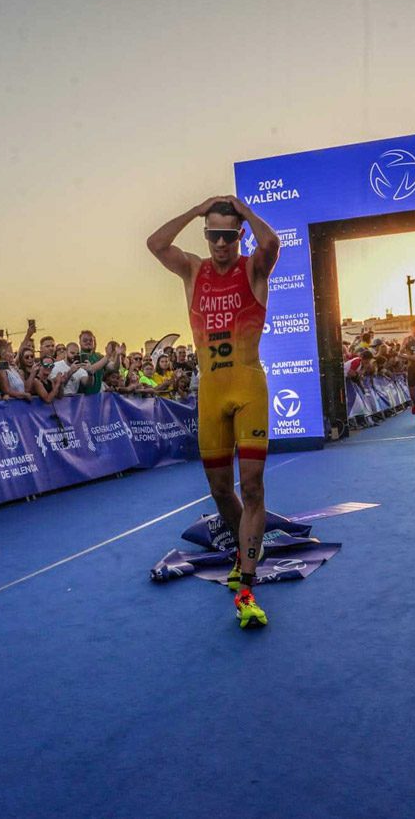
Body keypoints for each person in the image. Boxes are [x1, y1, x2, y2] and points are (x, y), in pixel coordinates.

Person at [147, 195, 280, 629]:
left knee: (254, 486)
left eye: (229, 235)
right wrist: (196, 210)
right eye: (214, 236)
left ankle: (246, 579)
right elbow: (156, 243)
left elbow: (272, 243)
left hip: (248, 388)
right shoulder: (193, 270)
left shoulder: (252, 269)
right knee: (222, 490)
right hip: (210, 395)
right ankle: (248, 550)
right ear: (206, 236)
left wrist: (245, 213)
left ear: (239, 234)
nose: (221, 244)